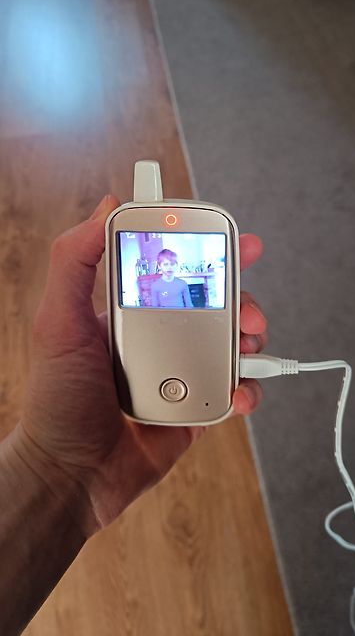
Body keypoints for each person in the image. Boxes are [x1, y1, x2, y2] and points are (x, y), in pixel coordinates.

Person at [0, 194, 268, 636]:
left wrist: (50, 470)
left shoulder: (185, 287)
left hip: (189, 357)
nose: (168, 270)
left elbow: (196, 306)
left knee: (236, 340)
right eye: (163, 265)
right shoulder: (147, 287)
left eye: (172, 265)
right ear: (156, 268)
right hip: (135, 382)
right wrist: (52, 465)